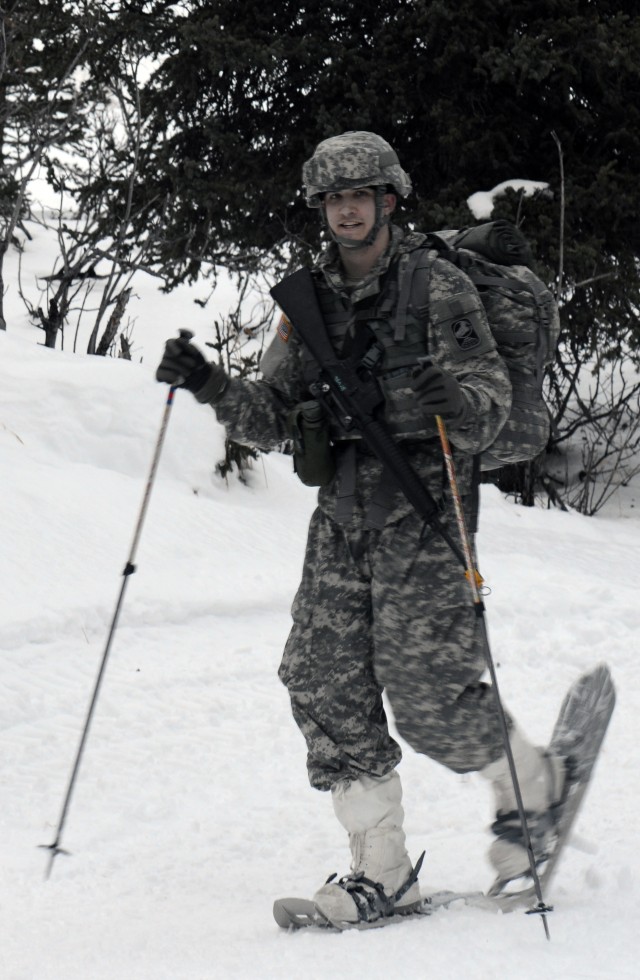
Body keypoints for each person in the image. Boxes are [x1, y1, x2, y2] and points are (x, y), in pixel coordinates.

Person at [156, 132, 565, 925]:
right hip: (340, 515)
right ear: (322, 209)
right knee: (320, 678)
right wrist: (210, 383)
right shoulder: (308, 303)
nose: (347, 209)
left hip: (426, 507)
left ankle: (534, 789)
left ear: (388, 200)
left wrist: (455, 400)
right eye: (333, 198)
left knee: (427, 695)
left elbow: (489, 412)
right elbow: (272, 417)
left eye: (360, 195)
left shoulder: (438, 288)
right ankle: (381, 868)